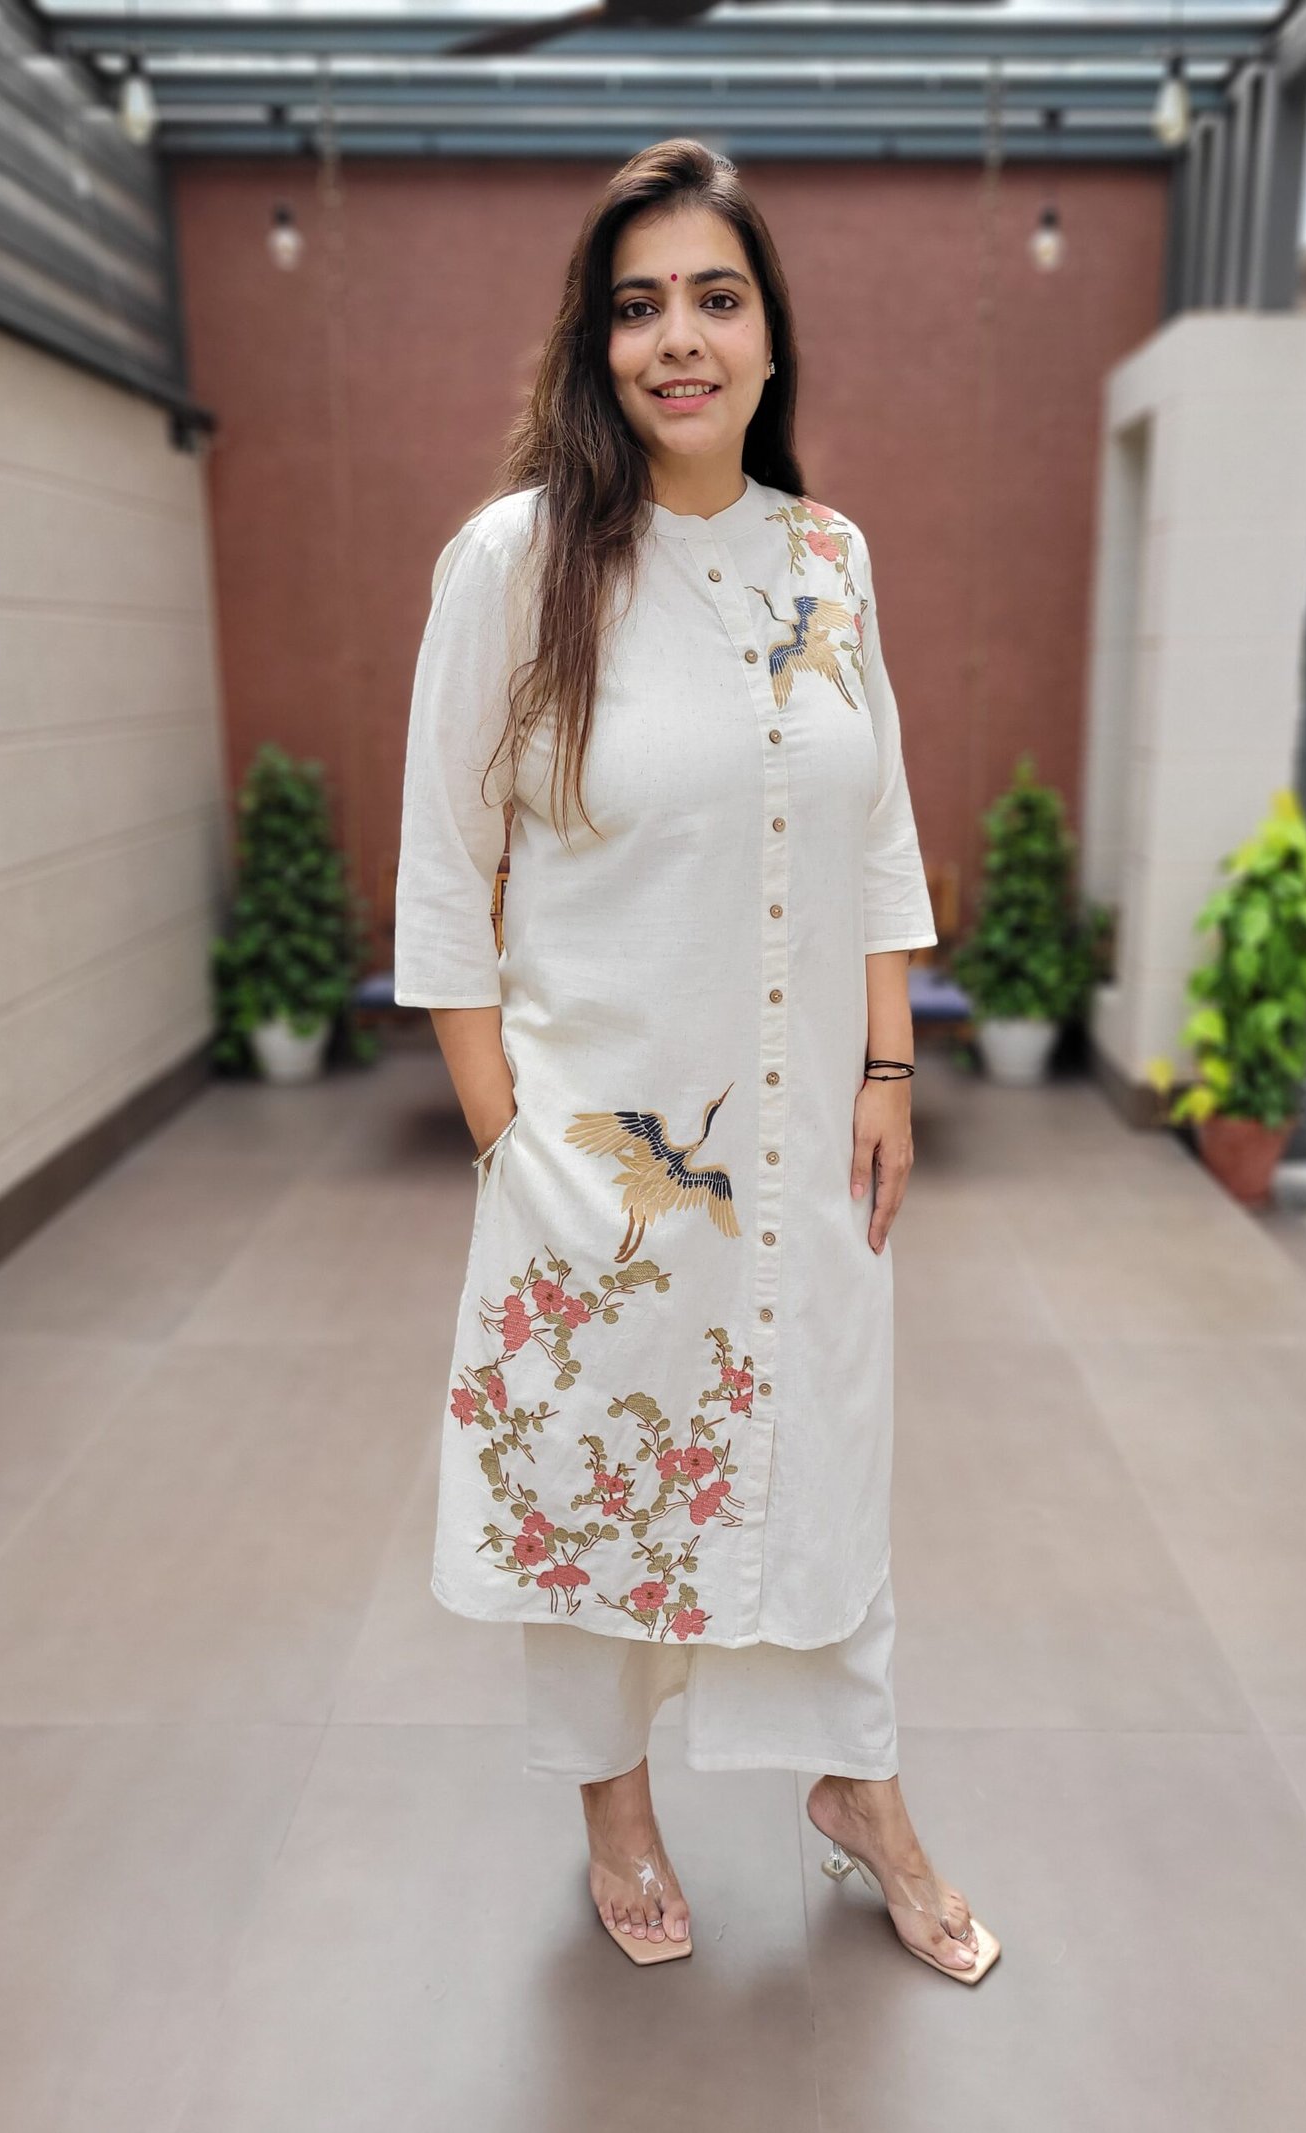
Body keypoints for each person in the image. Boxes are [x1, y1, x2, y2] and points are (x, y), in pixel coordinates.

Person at [394, 137, 998, 1984]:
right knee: (603, 1479)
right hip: (605, 1169)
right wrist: (506, 1139)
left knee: (822, 1456)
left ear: (768, 335)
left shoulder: (830, 559)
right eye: (639, 303)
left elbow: (879, 830)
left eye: (716, 299)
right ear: (596, 343)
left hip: (806, 1151)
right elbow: (444, 871)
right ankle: (615, 1807)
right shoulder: (516, 565)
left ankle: (859, 1788)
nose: (680, 338)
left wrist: (888, 1072)